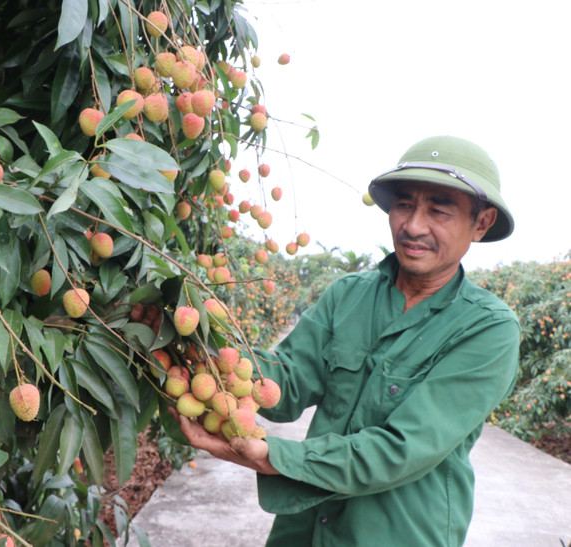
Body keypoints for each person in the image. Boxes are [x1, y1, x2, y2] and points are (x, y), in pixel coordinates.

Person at [176, 135, 521, 546]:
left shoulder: (489, 329)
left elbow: (401, 449)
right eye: (404, 204)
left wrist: (275, 458)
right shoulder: (348, 295)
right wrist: (201, 344)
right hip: (301, 531)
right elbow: (282, 385)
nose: (413, 225)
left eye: (439, 210)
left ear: (480, 223)